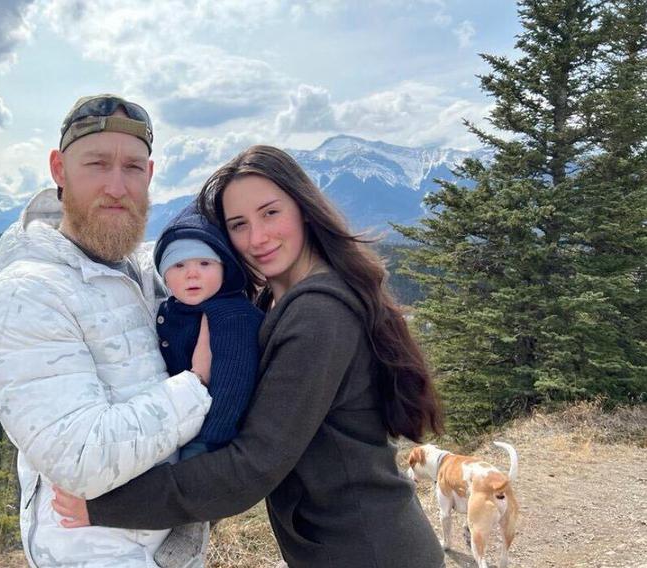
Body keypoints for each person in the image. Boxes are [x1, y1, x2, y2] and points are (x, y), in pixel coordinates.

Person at [52, 145, 446, 568]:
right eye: (239, 225)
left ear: (304, 209)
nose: (257, 238)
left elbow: (253, 466)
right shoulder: (271, 304)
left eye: (270, 213)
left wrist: (104, 504)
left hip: (368, 550)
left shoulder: (319, 316)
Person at [0, 94, 213, 568]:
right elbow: (81, 459)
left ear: (150, 173)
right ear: (59, 170)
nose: (117, 187)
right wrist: (197, 386)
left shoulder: (144, 271)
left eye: (133, 167)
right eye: (97, 164)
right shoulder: (25, 294)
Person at [151, 206, 264, 567]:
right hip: (182, 414)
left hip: (211, 426)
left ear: (224, 268)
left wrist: (209, 435)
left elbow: (234, 381)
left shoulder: (231, 316)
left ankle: (192, 524)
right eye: (178, 266)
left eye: (204, 264)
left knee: (190, 479)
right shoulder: (176, 308)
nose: (192, 274)